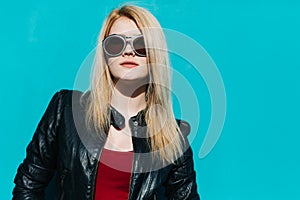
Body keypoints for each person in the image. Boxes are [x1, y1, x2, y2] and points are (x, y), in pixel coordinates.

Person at [13, 5, 200, 200]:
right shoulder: (66, 110)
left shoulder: (172, 137)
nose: (128, 51)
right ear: (105, 55)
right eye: (115, 44)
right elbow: (28, 185)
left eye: (140, 45)